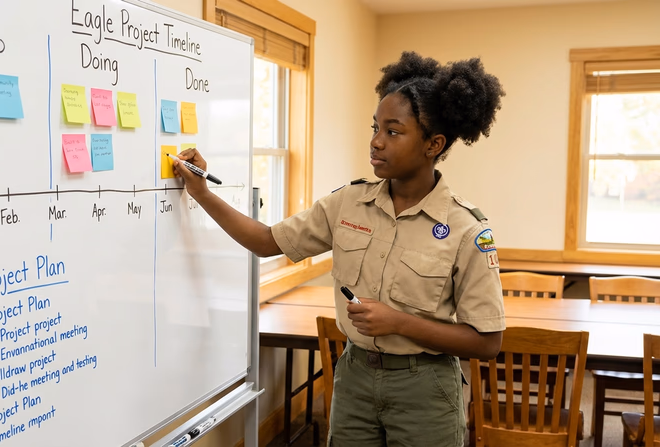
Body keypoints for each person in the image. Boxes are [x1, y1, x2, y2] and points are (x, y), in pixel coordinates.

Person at [173, 51, 507, 447]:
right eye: (375, 127)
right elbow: (266, 242)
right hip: (355, 378)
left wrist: (398, 322)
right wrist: (202, 193)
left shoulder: (467, 229)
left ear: (433, 144)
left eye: (393, 131)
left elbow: (487, 342)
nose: (376, 141)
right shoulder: (348, 204)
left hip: (426, 389)